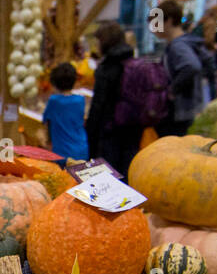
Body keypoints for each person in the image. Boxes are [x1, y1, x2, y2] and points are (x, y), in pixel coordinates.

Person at [85, 21, 142, 178]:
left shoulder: (107, 69)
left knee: (108, 177)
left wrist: (90, 135)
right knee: (127, 172)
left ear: (104, 42)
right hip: (133, 129)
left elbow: (98, 107)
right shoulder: (133, 63)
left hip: (109, 131)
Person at [157, 0, 212, 136]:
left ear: (168, 21)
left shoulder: (178, 46)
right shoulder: (187, 42)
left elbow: (192, 66)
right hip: (188, 107)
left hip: (179, 110)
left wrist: (172, 90)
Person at [42, 62, 89, 162]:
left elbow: (47, 123)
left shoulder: (54, 101)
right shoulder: (80, 100)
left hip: (61, 152)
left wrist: (47, 143)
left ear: (54, 83)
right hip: (81, 150)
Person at [192, 3, 217, 98]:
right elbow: (209, 40)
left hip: (196, 52)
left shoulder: (204, 20)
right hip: (205, 53)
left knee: (199, 78)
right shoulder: (211, 23)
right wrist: (214, 46)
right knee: (212, 79)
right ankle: (213, 99)